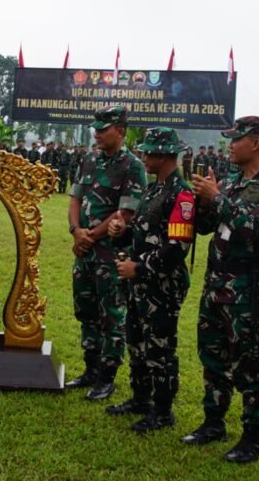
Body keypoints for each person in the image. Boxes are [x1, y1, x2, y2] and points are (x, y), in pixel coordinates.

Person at [181, 116, 259, 463]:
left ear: (256, 143)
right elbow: (206, 228)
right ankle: (213, 422)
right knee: (212, 356)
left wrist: (217, 199)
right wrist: (202, 200)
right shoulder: (229, 182)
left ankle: (253, 437)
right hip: (216, 282)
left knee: (248, 362)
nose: (230, 144)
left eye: (236, 139)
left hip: (246, 290)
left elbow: (252, 229)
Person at [106, 127, 194, 433]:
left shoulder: (181, 195)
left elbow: (176, 248)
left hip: (162, 284)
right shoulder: (155, 190)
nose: (143, 156)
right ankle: (141, 399)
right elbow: (145, 235)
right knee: (137, 341)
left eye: (148, 152)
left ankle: (163, 410)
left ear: (164, 155)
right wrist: (122, 233)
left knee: (159, 347)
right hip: (140, 282)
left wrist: (139, 268)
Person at [67, 104, 146, 400]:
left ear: (121, 131)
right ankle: (90, 369)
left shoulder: (132, 166)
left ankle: (107, 376)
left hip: (111, 254)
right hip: (84, 251)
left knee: (112, 314)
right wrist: (76, 231)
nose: (97, 134)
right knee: (85, 311)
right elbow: (75, 197)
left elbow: (125, 212)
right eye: (96, 129)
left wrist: (91, 235)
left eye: (103, 129)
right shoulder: (88, 159)